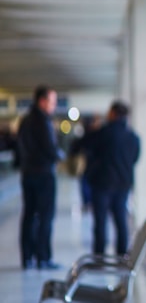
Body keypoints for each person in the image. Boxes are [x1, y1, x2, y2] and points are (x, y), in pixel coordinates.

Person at [16, 84, 64, 269]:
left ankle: (27, 257)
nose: (54, 105)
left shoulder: (25, 120)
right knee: (45, 216)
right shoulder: (43, 121)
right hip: (44, 174)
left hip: (27, 173)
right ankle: (43, 257)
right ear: (42, 101)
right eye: (52, 101)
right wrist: (60, 155)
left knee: (28, 215)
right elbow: (50, 149)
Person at [83, 101, 140, 255]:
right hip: (123, 184)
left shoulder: (102, 133)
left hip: (102, 183)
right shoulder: (133, 137)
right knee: (121, 220)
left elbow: (86, 147)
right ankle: (122, 255)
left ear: (113, 114)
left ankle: (99, 255)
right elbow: (134, 159)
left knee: (100, 222)